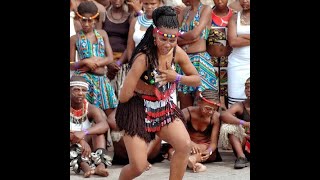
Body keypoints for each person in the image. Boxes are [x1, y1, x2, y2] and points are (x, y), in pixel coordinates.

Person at [115, 6, 201, 180]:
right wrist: (143, 92)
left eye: (173, 40)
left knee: (184, 145)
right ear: (155, 34)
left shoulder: (177, 53)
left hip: (163, 108)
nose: (168, 45)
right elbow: (123, 96)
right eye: (163, 39)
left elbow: (196, 79)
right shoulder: (143, 58)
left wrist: (175, 77)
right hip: (136, 109)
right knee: (138, 166)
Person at [70, 1, 118, 116]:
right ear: (78, 19)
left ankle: (105, 131)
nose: (86, 24)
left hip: (102, 79)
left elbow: (110, 57)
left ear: (96, 20)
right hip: (84, 82)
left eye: (90, 20)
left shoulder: (102, 34)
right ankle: (88, 132)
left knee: (111, 115)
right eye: (83, 20)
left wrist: (95, 64)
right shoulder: (74, 38)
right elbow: (71, 64)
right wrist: (85, 61)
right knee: (88, 114)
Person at [164, 89, 223, 173]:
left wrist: (209, 151)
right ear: (199, 103)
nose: (211, 112)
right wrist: (190, 143)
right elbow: (177, 135)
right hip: (186, 143)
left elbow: (213, 144)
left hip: (204, 148)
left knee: (204, 150)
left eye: (214, 110)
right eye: (207, 108)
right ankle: (192, 161)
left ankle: (192, 159)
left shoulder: (215, 117)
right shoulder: (187, 113)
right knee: (172, 151)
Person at [177, 0, 218, 109]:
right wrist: (190, 40)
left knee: (203, 104)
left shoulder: (206, 9)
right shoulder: (184, 11)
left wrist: (182, 37)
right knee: (185, 106)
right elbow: (173, 36)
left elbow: (196, 33)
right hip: (183, 61)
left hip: (200, 61)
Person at [70, 76, 111, 177]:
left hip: (88, 145)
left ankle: (100, 165)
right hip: (72, 145)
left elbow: (104, 125)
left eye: (84, 90)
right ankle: (84, 166)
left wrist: (84, 132)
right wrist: (80, 140)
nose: (80, 93)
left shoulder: (91, 108)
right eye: (76, 90)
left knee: (99, 132)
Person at [207, 0, 233, 109]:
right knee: (211, 92)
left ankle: (227, 120)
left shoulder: (234, 15)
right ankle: (214, 119)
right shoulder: (207, 14)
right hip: (210, 59)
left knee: (228, 91)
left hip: (229, 60)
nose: (220, 1)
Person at [103, 0, 133, 98]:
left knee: (121, 96)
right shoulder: (103, 15)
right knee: (106, 96)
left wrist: (118, 63)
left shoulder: (130, 17)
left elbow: (130, 44)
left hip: (122, 62)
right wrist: (108, 62)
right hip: (105, 60)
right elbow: (98, 38)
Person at [219, 77, 250, 169]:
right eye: (247, 87)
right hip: (245, 144)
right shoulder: (240, 105)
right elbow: (224, 115)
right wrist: (244, 123)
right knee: (228, 127)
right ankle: (241, 157)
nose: (248, 90)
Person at [227, 0, 250, 107]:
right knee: (235, 99)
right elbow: (233, 42)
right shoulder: (234, 18)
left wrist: (242, 36)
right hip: (237, 65)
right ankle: (236, 123)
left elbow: (237, 39)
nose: (244, 1)